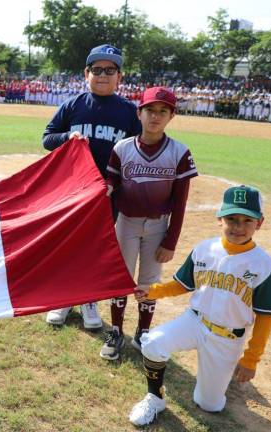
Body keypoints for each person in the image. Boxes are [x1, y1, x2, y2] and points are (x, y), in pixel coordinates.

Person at [128, 185, 271, 426]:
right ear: (219, 218)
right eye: (231, 219)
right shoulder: (205, 249)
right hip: (195, 320)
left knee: (208, 404)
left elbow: (266, 317)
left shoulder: (263, 265)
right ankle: (155, 398)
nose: (238, 227)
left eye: (247, 220)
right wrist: (154, 291)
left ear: (259, 223)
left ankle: (220, 378)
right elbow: (183, 284)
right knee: (153, 342)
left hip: (227, 338)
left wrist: (251, 359)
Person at [42, 44, 142, 329]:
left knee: (96, 247)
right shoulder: (72, 106)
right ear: (86, 73)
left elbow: (138, 154)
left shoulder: (129, 113)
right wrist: (67, 138)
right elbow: (47, 139)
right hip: (72, 191)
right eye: (96, 69)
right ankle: (63, 297)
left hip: (108, 194)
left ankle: (88, 299)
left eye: (110, 70)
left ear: (119, 77)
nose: (102, 75)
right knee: (68, 243)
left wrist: (118, 183)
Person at [99, 87, 197, 361]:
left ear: (171, 116)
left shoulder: (179, 152)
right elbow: (113, 181)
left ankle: (142, 332)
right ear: (139, 113)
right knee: (121, 278)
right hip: (126, 223)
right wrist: (104, 188)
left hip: (158, 226)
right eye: (150, 110)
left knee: (149, 281)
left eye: (162, 111)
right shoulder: (122, 148)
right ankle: (115, 331)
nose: (155, 117)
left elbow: (180, 202)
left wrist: (171, 241)